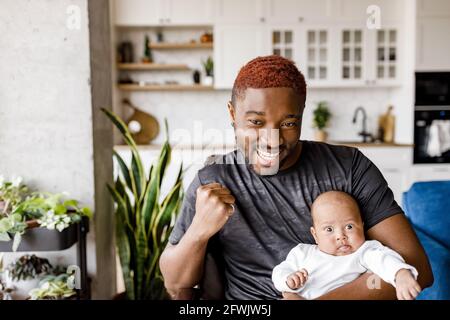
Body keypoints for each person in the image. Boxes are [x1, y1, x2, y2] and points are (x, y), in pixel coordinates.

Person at [159, 55, 433, 300]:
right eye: (255, 122)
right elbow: (175, 284)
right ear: (232, 114)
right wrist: (198, 231)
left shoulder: (349, 167)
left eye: (288, 124)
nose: (271, 140)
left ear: (302, 114)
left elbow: (416, 267)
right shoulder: (213, 179)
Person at [272, 191, 421, 300]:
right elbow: (279, 271)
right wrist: (288, 280)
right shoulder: (302, 252)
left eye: (349, 227)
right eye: (329, 229)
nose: (341, 236)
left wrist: (400, 273)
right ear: (315, 235)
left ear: (361, 227)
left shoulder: (364, 252)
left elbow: (383, 259)